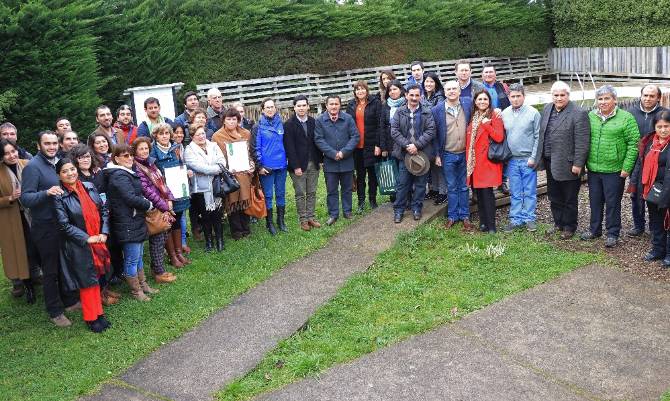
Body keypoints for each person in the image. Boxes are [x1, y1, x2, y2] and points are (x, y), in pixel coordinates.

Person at [21, 130, 80, 327]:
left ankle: (70, 300)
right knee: (51, 270)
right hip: (45, 227)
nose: (52, 147)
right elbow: (26, 198)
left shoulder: (58, 163)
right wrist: (46, 193)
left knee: (65, 264)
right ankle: (55, 310)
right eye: (47, 144)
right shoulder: (33, 167)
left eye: (54, 143)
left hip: (62, 223)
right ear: (39, 146)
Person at [53, 159, 111, 333]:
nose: (70, 173)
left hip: (98, 239)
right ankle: (91, 317)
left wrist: (104, 232)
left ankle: (99, 313)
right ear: (59, 175)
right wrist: (86, 238)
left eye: (72, 169)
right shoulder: (59, 196)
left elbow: (104, 210)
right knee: (87, 282)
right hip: (79, 244)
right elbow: (63, 225)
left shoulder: (89, 187)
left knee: (96, 278)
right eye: (65, 171)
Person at [581, 85, 640, 247]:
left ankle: (613, 233)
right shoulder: (591, 116)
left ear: (615, 100)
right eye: (600, 99)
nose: (603, 102)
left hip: (615, 170)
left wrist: (626, 168)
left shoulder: (626, 118)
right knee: (595, 200)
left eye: (607, 98)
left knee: (613, 203)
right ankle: (595, 230)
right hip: (593, 168)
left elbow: (633, 145)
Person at [535, 81, 590, 239]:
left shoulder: (578, 113)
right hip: (550, 161)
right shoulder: (547, 109)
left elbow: (582, 141)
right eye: (556, 95)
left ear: (568, 95)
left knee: (569, 198)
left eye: (562, 95)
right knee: (554, 195)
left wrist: (578, 164)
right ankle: (558, 223)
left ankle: (569, 226)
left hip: (568, 163)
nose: (559, 98)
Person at [105, 144, 156, 301]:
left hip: (134, 219)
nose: (130, 158)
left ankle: (143, 285)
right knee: (132, 259)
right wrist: (148, 204)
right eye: (125, 156)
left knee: (138, 256)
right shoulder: (119, 176)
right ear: (117, 158)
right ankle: (136, 291)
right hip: (127, 222)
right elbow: (130, 197)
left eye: (131, 155)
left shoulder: (126, 173)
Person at [133, 137, 178, 282]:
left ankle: (158, 268)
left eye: (146, 148)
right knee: (157, 239)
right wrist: (164, 206)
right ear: (135, 151)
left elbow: (162, 182)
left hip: (162, 204)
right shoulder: (137, 167)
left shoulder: (151, 163)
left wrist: (169, 199)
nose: (144, 151)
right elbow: (146, 191)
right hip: (153, 208)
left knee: (163, 235)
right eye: (141, 149)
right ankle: (158, 273)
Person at [626, 84, 668, 237]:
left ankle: (656, 227)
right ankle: (638, 225)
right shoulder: (630, 113)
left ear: (658, 98)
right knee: (636, 194)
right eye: (645, 95)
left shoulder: (665, 114)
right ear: (641, 95)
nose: (648, 98)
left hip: (657, 161)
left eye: (652, 96)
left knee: (655, 193)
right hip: (636, 161)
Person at [390, 84, 436, 223]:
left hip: (422, 154)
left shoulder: (427, 112)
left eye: (417, 95)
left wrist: (416, 145)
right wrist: (407, 145)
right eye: (412, 95)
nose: (414, 98)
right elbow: (394, 131)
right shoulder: (399, 111)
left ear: (421, 96)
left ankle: (417, 208)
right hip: (405, 154)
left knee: (421, 184)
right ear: (406, 95)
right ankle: (399, 210)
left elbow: (431, 130)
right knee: (403, 184)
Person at [432, 80, 474, 231]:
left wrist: (496, 111)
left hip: (465, 153)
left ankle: (465, 216)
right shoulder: (437, 110)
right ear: (444, 91)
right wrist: (437, 154)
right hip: (447, 154)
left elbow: (484, 108)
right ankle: (452, 216)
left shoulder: (468, 103)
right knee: (451, 186)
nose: (451, 91)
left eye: (454, 88)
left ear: (459, 90)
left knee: (463, 186)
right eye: (448, 89)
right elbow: (435, 135)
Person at [0, 139, 37, 303]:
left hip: (34, 215)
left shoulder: (28, 164)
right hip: (14, 218)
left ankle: (42, 278)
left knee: (37, 248)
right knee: (22, 253)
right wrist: (9, 198)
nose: (11, 155)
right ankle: (28, 286)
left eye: (13, 151)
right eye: (6, 153)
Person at [500, 83, 541, 232]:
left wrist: (534, 157)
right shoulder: (504, 114)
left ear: (524, 96)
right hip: (512, 160)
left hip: (528, 159)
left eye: (518, 96)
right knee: (515, 191)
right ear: (508, 97)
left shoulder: (533, 113)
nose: (516, 99)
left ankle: (529, 217)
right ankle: (516, 218)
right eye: (513, 96)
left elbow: (538, 136)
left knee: (529, 191)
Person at [150, 123, 192, 264]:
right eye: (161, 134)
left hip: (178, 190)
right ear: (156, 135)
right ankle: (172, 255)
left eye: (167, 133)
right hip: (164, 192)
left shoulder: (175, 148)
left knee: (178, 219)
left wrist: (185, 172)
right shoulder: (153, 151)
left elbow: (180, 164)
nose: (164, 136)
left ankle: (179, 252)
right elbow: (152, 172)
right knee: (168, 221)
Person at [314, 95, 360, 225]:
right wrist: (333, 153)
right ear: (326, 106)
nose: (334, 106)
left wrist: (344, 152)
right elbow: (319, 139)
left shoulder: (348, 119)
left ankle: (347, 211)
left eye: (336, 104)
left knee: (347, 188)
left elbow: (355, 137)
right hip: (330, 161)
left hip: (347, 160)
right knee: (332, 190)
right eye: (331, 104)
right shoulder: (320, 121)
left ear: (340, 105)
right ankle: (333, 214)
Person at [212, 109, 256, 239]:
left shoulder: (246, 133)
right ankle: (236, 231)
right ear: (223, 120)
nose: (231, 121)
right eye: (228, 119)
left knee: (244, 200)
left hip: (245, 174)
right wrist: (226, 169)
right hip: (229, 175)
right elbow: (217, 157)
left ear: (238, 120)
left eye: (234, 119)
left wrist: (252, 164)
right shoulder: (217, 136)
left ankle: (246, 228)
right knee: (232, 202)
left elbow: (251, 153)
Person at [465, 90, 504, 233]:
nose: (482, 101)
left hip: (486, 162)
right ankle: (483, 222)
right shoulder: (473, 116)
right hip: (474, 163)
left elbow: (499, 137)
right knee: (479, 194)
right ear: (475, 101)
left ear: (489, 101)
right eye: (479, 99)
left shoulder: (494, 115)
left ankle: (491, 225)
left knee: (487, 194)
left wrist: (487, 124)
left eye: (485, 99)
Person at [184, 124, 227, 251]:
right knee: (205, 216)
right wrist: (216, 169)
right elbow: (198, 167)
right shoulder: (189, 150)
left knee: (217, 215)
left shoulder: (213, 145)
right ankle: (209, 242)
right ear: (192, 137)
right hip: (200, 188)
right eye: (198, 134)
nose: (202, 136)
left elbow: (222, 162)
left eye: (203, 133)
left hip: (216, 185)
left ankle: (220, 240)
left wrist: (211, 170)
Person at [284, 95, 322, 231]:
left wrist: (320, 161)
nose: (301, 108)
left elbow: (317, 142)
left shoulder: (313, 122)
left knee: (312, 191)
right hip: (298, 165)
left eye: (303, 105)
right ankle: (303, 219)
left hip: (313, 162)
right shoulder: (288, 125)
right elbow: (290, 147)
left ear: (307, 107)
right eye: (298, 106)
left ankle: (311, 217)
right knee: (300, 193)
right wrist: (296, 166)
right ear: (294, 108)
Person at [637, 111, 670, 266]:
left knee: (668, 223)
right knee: (655, 222)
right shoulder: (651, 143)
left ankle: (669, 254)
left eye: (667, 126)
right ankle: (658, 250)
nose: (663, 130)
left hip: (667, 190)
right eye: (659, 126)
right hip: (652, 189)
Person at [253, 98, 288, 235]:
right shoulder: (258, 126)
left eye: (272, 107)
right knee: (268, 195)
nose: (270, 109)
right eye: (267, 107)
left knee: (280, 193)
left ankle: (281, 221)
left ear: (275, 108)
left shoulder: (281, 124)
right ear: (262, 110)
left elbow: (286, 143)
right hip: (266, 167)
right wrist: (260, 166)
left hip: (281, 165)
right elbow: (255, 148)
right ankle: (270, 223)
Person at [345, 80, 382, 212]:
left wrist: (378, 145)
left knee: (372, 175)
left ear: (367, 90)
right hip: (357, 147)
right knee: (360, 175)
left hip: (371, 145)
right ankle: (361, 202)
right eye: (357, 89)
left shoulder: (375, 103)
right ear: (355, 92)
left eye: (362, 89)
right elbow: (347, 126)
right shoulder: (351, 105)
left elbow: (380, 125)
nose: (360, 91)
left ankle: (372, 199)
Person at [422, 72, 447, 204]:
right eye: (426, 81)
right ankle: (434, 189)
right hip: (425, 136)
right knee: (430, 164)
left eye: (431, 81)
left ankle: (443, 191)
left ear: (436, 83)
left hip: (437, 134)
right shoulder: (422, 97)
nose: (429, 84)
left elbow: (436, 116)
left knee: (439, 164)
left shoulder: (440, 97)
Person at [171, 122, 195, 252]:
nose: (179, 135)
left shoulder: (181, 147)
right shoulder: (172, 148)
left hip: (182, 184)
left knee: (182, 215)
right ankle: (176, 245)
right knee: (176, 216)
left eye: (181, 133)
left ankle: (183, 243)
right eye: (176, 132)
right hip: (173, 186)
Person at [379, 80, 406, 160]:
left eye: (395, 89)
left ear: (400, 90)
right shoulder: (385, 105)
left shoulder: (407, 103)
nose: (392, 92)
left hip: (404, 144)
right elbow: (382, 127)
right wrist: (383, 148)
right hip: (390, 145)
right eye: (390, 90)